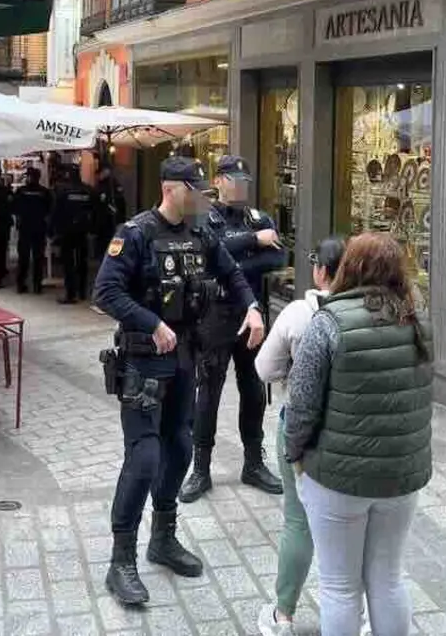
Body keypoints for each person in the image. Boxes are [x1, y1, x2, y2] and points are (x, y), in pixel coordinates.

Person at [93, 156, 266, 606]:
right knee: (145, 456)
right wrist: (150, 322)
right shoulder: (135, 234)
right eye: (195, 189)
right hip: (144, 364)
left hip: (186, 358)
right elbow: (105, 292)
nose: (202, 197)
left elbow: (231, 272)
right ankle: (121, 560)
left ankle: (163, 537)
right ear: (172, 189)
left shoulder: (200, 233)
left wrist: (252, 308)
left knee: (182, 447)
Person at [285, 232, 432, 636]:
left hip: (337, 478)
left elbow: (300, 407)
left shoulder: (329, 321)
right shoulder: (417, 318)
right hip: (402, 475)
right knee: (387, 578)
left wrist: (294, 456)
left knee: (339, 586)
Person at [254, 237, 349, 636]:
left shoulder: (297, 313)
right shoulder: (370, 312)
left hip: (300, 426)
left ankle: (284, 615)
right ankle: (353, 616)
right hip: (348, 428)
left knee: (299, 520)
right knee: (349, 522)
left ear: (320, 271)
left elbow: (263, 367)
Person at [181, 155, 287, 503]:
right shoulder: (205, 217)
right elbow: (206, 251)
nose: (240, 186)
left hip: (251, 315)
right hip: (215, 315)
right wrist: (254, 241)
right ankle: (200, 469)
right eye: (234, 179)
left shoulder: (259, 217)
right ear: (219, 180)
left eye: (245, 180)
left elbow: (278, 259)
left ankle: (253, 463)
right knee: (208, 393)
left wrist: (232, 261)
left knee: (254, 390)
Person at [52, 165, 95, 304]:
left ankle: (71, 293)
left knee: (68, 263)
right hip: (83, 231)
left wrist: (55, 231)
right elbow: (94, 211)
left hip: (67, 232)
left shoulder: (64, 191)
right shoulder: (88, 191)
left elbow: (57, 212)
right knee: (82, 262)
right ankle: (82, 292)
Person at [12, 167, 52, 294]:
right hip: (39, 228)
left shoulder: (21, 191)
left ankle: (21, 284)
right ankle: (37, 286)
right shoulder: (45, 192)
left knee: (24, 258)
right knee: (38, 258)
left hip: (25, 228)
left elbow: (14, 208)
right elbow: (49, 210)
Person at [93, 161, 127, 260]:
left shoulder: (110, 186)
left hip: (109, 220)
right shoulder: (106, 185)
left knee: (109, 244)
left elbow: (117, 203)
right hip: (106, 221)